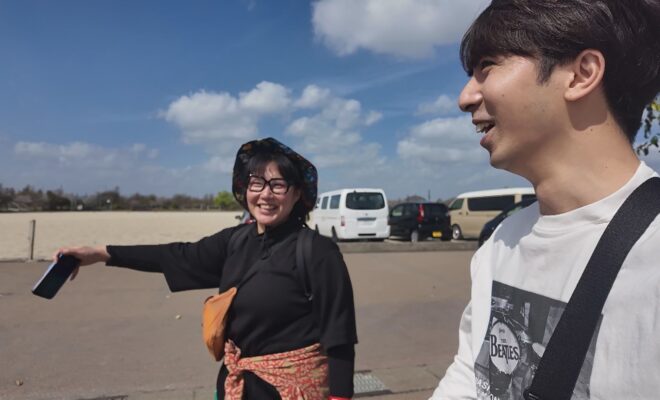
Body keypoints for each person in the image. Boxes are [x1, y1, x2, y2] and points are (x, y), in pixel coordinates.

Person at [430, 0, 660, 399]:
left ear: (581, 74)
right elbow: (469, 374)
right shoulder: (501, 242)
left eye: (487, 65)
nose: (465, 98)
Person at [57, 137, 358, 400]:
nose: (265, 194)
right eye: (257, 183)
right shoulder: (235, 241)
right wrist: (101, 253)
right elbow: (176, 255)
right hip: (236, 385)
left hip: (292, 390)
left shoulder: (317, 252)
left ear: (296, 194)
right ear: (245, 188)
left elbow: (340, 337)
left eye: (278, 185)